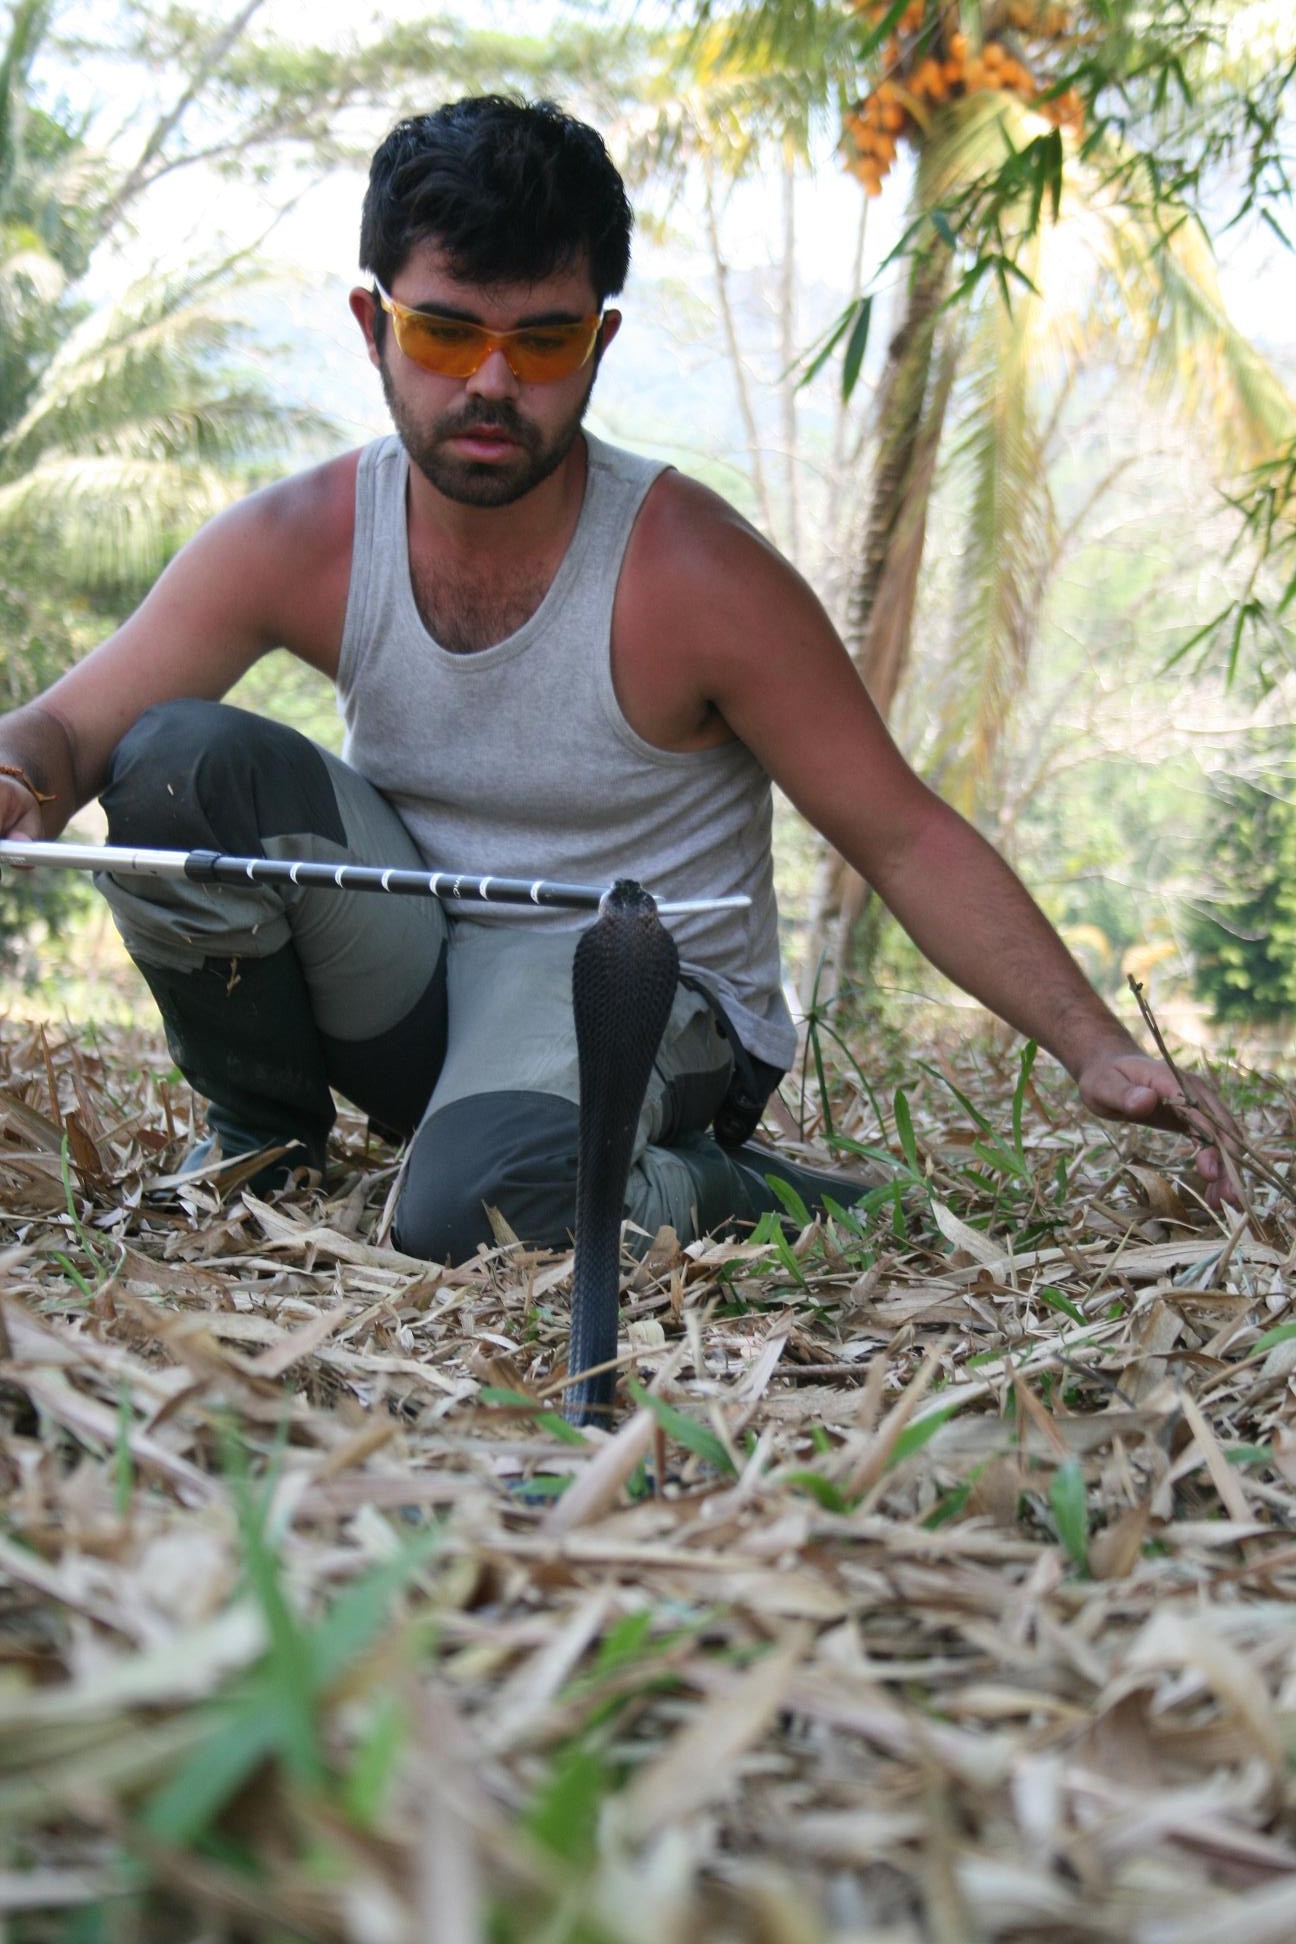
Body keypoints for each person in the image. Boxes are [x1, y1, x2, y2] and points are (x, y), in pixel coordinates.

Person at [0, 95, 1236, 1259]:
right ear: (375, 326)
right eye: (446, 332)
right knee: (175, 765)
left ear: (600, 341)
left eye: (542, 341)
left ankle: (755, 1191)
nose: (493, 382)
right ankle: (261, 1146)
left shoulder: (697, 574)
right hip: (423, 973)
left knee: (476, 1208)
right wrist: (17, 774)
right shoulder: (304, 535)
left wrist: (1093, 1046)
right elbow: (69, 733)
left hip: (650, 992)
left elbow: (900, 834)